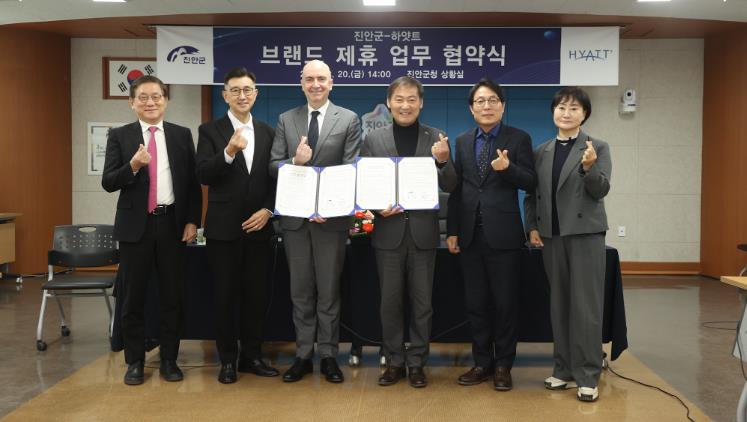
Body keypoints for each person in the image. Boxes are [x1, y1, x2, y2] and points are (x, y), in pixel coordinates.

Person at [102, 75, 201, 385]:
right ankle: (135, 361)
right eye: (143, 97)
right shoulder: (120, 136)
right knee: (133, 297)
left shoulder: (181, 135)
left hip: (172, 224)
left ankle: (169, 359)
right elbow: (108, 182)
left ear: (166, 100)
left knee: (173, 296)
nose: (150, 102)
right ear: (132, 103)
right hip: (136, 228)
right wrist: (132, 166)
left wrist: (192, 220)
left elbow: (192, 184)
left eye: (156, 96)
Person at [269, 59, 361, 383]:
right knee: (301, 292)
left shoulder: (348, 119)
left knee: (329, 291)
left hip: (330, 222)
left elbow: (351, 169)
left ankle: (329, 356)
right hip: (296, 221)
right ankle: (303, 355)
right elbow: (273, 166)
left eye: (321, 78)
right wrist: (295, 161)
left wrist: (330, 206)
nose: (316, 84)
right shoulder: (286, 119)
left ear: (331, 82)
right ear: (301, 83)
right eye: (309, 79)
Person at [360, 76, 456, 388]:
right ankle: (394, 361)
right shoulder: (373, 140)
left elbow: (452, 185)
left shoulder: (436, 137)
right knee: (389, 303)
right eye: (399, 99)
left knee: (422, 304)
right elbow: (365, 184)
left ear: (421, 103)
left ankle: (416, 363)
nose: (405, 105)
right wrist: (377, 208)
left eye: (412, 99)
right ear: (389, 103)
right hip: (388, 233)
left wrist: (443, 161)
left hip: (423, 234)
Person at [446, 78, 536, 391]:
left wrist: (508, 168)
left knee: (505, 304)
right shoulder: (462, 141)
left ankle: (503, 366)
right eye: (480, 101)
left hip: (505, 236)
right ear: (472, 109)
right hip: (470, 235)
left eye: (493, 100)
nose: (487, 106)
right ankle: (482, 362)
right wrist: (453, 230)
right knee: (476, 304)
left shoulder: (519, 138)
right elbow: (457, 189)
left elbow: (531, 182)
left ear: (502, 106)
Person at [524, 86, 611, 402]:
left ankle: (588, 374)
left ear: (584, 114)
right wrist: (532, 226)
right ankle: (563, 369)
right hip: (552, 236)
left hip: (585, 235)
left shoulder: (597, 147)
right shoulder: (542, 150)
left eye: (574, 108)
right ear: (553, 112)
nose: (566, 113)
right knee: (559, 305)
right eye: (561, 107)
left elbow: (600, 190)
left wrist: (589, 168)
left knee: (585, 308)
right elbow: (533, 195)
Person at [196, 67, 279, 384]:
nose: (242, 96)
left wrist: (269, 210)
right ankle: (228, 360)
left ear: (256, 94)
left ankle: (252, 356)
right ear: (225, 95)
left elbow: (276, 179)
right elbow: (203, 174)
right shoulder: (209, 131)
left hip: (260, 228)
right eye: (235, 90)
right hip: (223, 231)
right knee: (224, 297)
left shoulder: (269, 132)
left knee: (256, 297)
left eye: (247, 90)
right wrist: (229, 151)